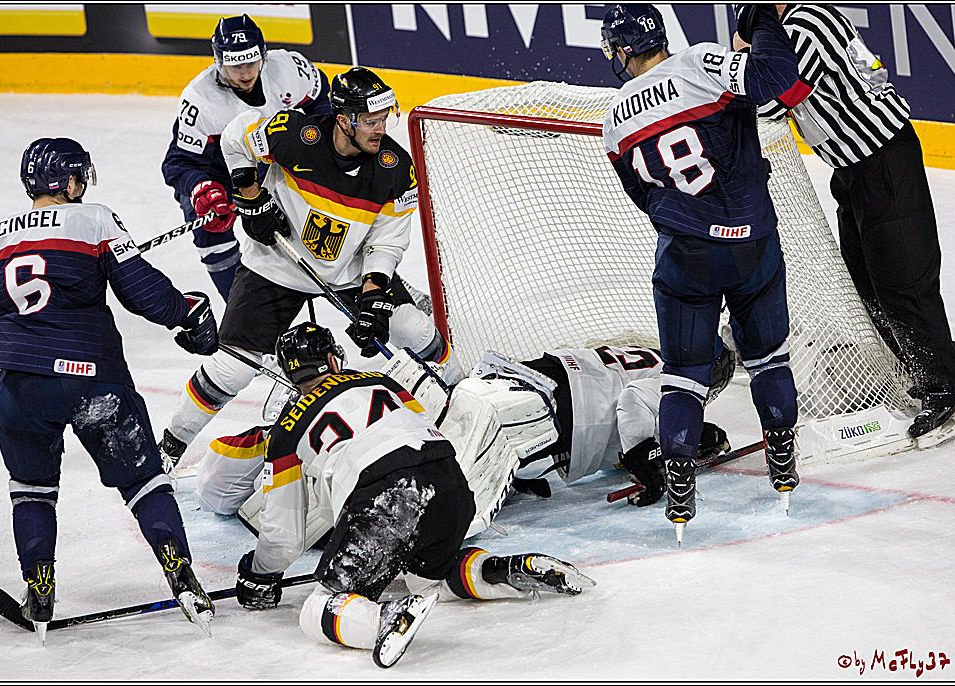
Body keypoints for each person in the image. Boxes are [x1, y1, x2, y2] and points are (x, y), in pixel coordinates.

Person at [0, 137, 220, 637]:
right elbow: (139, 290)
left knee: (31, 490)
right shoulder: (94, 219)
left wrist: (22, 338)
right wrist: (189, 312)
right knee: (143, 481)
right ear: (68, 181)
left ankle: (40, 591)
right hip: (93, 381)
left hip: (20, 392)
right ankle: (182, 577)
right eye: (80, 176)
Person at [233, 323, 593, 668]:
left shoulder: (285, 432)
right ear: (331, 360)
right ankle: (501, 570)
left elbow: (284, 535)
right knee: (425, 579)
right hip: (452, 484)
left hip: (388, 496)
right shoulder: (383, 380)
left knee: (319, 610)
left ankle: (384, 617)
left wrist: (259, 575)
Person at [158, 66, 463, 470]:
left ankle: (466, 402)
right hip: (275, 264)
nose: (380, 128)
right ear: (343, 119)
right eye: (371, 121)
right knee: (231, 368)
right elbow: (235, 136)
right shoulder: (294, 135)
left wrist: (373, 295)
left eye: (383, 118)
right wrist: (251, 197)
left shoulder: (395, 168)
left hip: (349, 270)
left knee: (413, 327)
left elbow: (387, 241)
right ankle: (169, 447)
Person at [599, 4, 802, 543]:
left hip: (685, 252)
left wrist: (685, 222)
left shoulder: (613, 118)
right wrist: (760, 19)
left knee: (683, 376)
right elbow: (777, 78)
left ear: (622, 50)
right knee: (768, 359)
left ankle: (681, 487)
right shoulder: (702, 62)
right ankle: (782, 463)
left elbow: (643, 195)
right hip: (752, 242)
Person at [734, 4, 955, 442]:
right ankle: (928, 365)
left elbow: (771, 99)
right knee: (869, 285)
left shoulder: (804, 25)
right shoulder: (791, 23)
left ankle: (943, 386)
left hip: (883, 163)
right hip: (851, 170)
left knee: (903, 283)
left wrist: (745, 55)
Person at [161, 14, 332, 299]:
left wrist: (324, 149)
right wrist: (201, 190)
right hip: (221, 179)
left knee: (329, 217)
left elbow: (321, 99)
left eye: (251, 62)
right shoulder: (200, 99)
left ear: (263, 55)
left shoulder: (289, 68)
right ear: (218, 61)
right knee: (209, 234)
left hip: (276, 164)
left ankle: (379, 284)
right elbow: (179, 163)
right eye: (235, 65)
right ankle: (243, 317)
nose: (245, 73)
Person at [472, 342, 736, 506]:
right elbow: (634, 400)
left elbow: (638, 416)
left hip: (558, 375)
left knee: (469, 420)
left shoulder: (662, 359)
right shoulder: (683, 381)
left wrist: (675, 444)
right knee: (470, 453)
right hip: (576, 405)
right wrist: (646, 463)